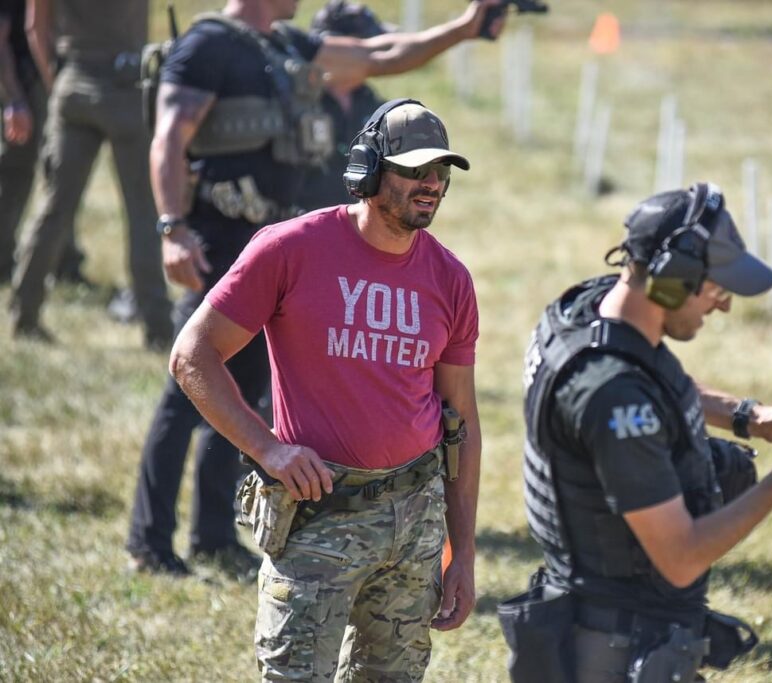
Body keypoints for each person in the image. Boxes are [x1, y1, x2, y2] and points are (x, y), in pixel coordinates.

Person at [126, 0, 503, 579]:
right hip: (218, 238)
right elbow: (169, 135)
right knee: (187, 398)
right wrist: (173, 228)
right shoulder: (209, 45)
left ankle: (212, 535)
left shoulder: (283, 44)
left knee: (253, 390)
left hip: (275, 239)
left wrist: (464, 27)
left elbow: (380, 54)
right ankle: (149, 540)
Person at [505, 183, 772, 682]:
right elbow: (680, 558)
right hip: (613, 655)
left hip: (594, 632)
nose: (722, 305)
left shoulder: (585, 313)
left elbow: (645, 374)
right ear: (671, 280)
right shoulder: (613, 402)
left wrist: (753, 418)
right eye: (715, 287)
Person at [169, 99, 481, 681]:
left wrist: (461, 551)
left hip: (414, 521)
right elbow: (192, 356)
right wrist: (269, 450)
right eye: (414, 170)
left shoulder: (450, 278)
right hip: (318, 517)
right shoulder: (290, 250)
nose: (432, 184)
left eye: (440, 171)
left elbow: (461, 418)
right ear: (367, 170)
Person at [8, 0, 172, 345]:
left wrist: (56, 81)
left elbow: (34, 28)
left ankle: (24, 311)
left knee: (53, 209)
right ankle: (157, 325)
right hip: (128, 87)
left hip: (75, 81)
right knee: (143, 212)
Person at [0, 0, 81, 284]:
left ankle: (64, 261)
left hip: (54, 82)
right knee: (15, 176)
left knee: (61, 173)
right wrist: (15, 100)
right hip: (25, 84)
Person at [299, 0, 390, 210]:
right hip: (297, 227)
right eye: (365, 48)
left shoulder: (378, 108)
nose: (373, 59)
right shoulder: (294, 102)